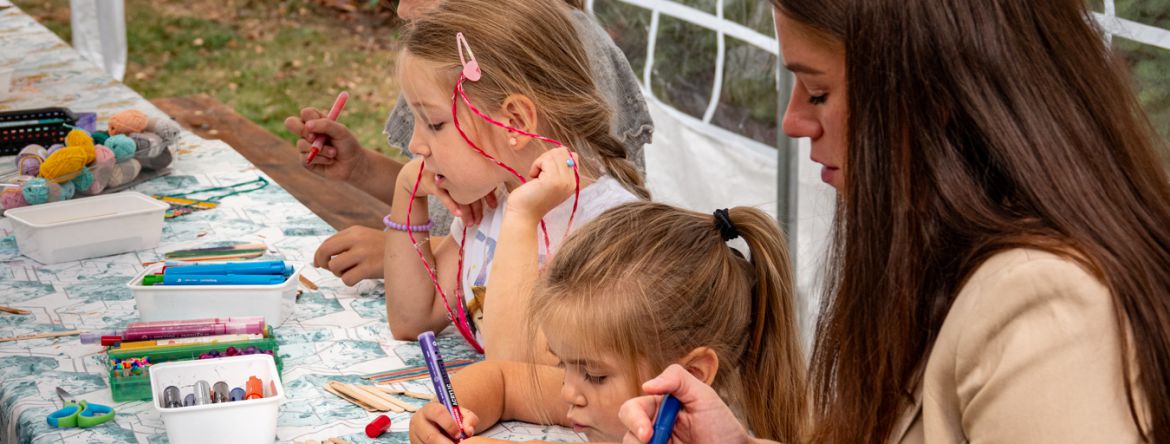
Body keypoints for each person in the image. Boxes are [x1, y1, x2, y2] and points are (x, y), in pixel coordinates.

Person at [620, 0, 1170, 442]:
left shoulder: (1045, 307)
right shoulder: (948, 270)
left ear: (933, 95)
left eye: (818, 91)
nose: (791, 121)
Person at [283, 0, 652, 286]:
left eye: (434, 123)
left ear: (517, 119)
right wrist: (361, 168)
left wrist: (418, 253)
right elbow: (455, 184)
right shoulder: (451, 59)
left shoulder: (540, 47)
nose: (401, 9)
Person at [408, 201, 807, 443]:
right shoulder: (606, 395)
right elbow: (501, 379)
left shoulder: (709, 432)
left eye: (594, 376)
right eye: (565, 365)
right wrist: (445, 415)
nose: (569, 392)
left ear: (690, 375)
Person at [382, 0, 650, 356]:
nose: (416, 143)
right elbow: (412, 319)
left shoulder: (605, 232)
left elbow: (526, 372)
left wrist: (522, 221)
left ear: (515, 122)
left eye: (434, 123)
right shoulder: (497, 198)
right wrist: (408, 190)